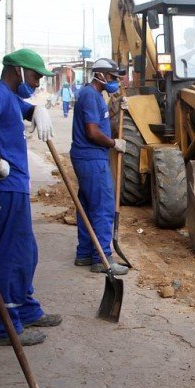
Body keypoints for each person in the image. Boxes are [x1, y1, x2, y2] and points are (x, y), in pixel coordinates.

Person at [0, 49, 59, 347]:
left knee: (25, 252)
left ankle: (25, 309)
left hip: (15, 188)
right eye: (34, 76)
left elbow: (22, 109)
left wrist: (37, 109)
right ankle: (4, 327)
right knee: (7, 256)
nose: (36, 84)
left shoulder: (9, 96)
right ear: (17, 70)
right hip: (4, 188)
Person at [70, 58, 128, 275]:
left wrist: (116, 110)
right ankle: (102, 258)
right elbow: (93, 132)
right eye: (113, 77)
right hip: (92, 158)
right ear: (101, 75)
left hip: (86, 157)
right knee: (103, 207)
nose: (115, 82)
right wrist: (114, 143)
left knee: (87, 205)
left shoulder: (93, 96)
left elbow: (100, 122)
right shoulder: (90, 96)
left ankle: (85, 253)